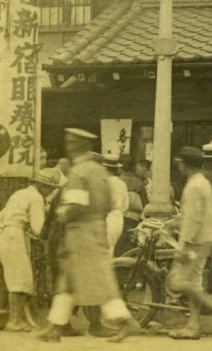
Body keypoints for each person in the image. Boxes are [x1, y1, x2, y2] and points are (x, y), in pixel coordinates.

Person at [37, 128, 139, 343]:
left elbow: (75, 206)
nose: (68, 145)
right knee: (68, 280)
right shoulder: (101, 172)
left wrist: (60, 212)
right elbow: (111, 203)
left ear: (76, 145)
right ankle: (55, 326)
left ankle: (125, 321)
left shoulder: (79, 171)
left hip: (80, 232)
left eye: (70, 142)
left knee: (96, 280)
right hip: (96, 228)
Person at [165, 147, 212, 339]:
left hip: (195, 241)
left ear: (185, 165)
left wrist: (183, 245)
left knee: (179, 282)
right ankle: (193, 326)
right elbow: (194, 214)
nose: (178, 167)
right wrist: (174, 223)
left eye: (179, 164)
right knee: (193, 282)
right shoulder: (201, 182)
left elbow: (193, 219)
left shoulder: (194, 186)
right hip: (203, 238)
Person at [0, 168, 60, 332]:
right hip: (15, 235)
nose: (50, 193)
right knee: (21, 279)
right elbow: (37, 228)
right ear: (42, 186)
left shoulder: (19, 193)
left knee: (11, 278)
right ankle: (15, 321)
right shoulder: (36, 198)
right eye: (50, 189)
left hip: (5, 233)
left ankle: (10, 318)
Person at [101, 153, 129, 253]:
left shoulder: (104, 182)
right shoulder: (122, 183)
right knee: (111, 248)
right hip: (118, 217)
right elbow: (126, 206)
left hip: (106, 217)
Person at [119, 155, 146, 236]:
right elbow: (144, 201)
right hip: (135, 217)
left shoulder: (118, 181)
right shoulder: (139, 182)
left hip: (119, 215)